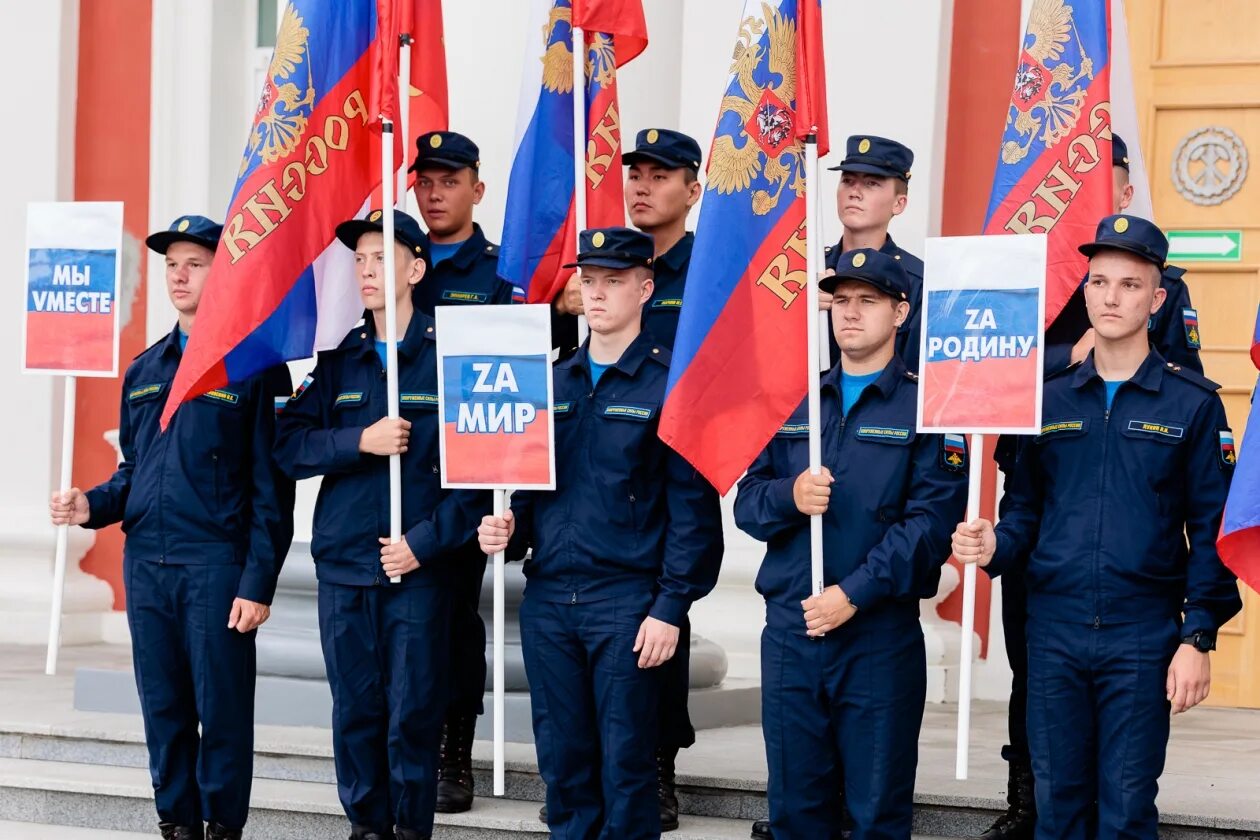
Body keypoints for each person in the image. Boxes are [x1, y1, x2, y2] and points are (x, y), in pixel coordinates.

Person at [952, 215, 1241, 840]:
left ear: (1157, 299)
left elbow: (1210, 529)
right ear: (1083, 292)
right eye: (1099, 282)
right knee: (1057, 811)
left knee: (1127, 809)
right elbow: (1025, 510)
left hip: (1141, 633)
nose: (1111, 298)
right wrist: (994, 542)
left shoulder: (1192, 404)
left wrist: (1198, 638)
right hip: (1053, 628)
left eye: (1130, 285)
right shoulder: (1045, 400)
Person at [49, 215, 295, 840]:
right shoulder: (145, 369)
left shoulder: (255, 364)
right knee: (163, 708)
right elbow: (136, 471)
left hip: (215, 565)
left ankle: (221, 827)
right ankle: (177, 823)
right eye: (170, 264)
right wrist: (92, 505)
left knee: (223, 709)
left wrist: (258, 580)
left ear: (222, 273)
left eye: (195, 263)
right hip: (148, 563)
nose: (179, 275)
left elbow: (273, 486)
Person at [477, 227, 724, 840]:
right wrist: (505, 531)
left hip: (628, 602)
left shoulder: (670, 387)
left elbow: (694, 515)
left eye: (613, 281)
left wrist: (671, 608)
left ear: (645, 287)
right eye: (589, 281)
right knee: (563, 768)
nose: (597, 294)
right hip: (551, 599)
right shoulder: (551, 384)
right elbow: (529, 497)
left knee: (626, 766)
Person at [736, 248, 968, 840]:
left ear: (900, 313)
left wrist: (852, 594)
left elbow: (928, 527)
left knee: (875, 814)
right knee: (795, 811)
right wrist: (791, 495)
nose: (851, 314)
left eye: (868, 301)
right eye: (841, 301)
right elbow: (747, 504)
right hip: (792, 630)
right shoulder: (796, 400)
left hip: (875, 636)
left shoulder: (931, 407)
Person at [274, 208, 487, 840]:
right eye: (360, 260)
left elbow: (481, 479)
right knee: (356, 712)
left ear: (416, 268)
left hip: (416, 571)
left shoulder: (451, 358)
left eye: (380, 258)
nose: (366, 271)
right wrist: (357, 441)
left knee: (412, 715)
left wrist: (421, 546)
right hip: (345, 564)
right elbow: (287, 445)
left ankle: (409, 830)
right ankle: (366, 828)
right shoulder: (341, 362)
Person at [408, 129, 519, 815]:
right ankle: (409, 745)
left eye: (449, 179)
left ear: (477, 188)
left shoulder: (502, 272)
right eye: (424, 178)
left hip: (467, 469)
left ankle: (454, 751)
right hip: (398, 462)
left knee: (452, 619)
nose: (435, 190)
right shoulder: (397, 262)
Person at [624, 126, 704, 829]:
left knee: (667, 609)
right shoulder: (608, 262)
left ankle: (658, 763)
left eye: (661, 175)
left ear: (693, 189)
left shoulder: (709, 267)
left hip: (680, 456)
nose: (643, 186)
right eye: (637, 174)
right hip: (614, 455)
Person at [821, 135, 924, 371]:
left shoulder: (916, 282)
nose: (855, 192)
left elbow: (913, 378)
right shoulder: (807, 269)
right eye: (847, 180)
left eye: (871, 184)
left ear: (899, 204)